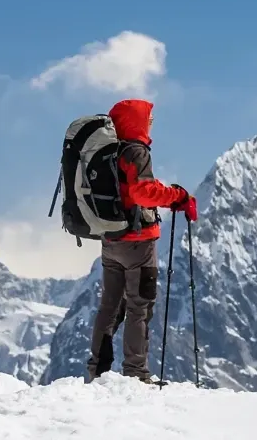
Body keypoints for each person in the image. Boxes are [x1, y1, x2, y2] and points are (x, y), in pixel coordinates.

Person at [85, 98, 198, 383]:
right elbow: (142, 193)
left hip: (111, 241)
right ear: (137, 120)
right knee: (139, 306)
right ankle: (135, 373)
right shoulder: (136, 151)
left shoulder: (109, 150)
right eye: (149, 118)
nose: (151, 123)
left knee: (109, 306)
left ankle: (97, 370)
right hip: (139, 242)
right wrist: (176, 195)